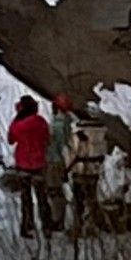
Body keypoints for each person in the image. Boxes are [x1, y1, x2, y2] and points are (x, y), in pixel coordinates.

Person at [7, 93, 56, 237]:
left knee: (26, 198)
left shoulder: (18, 125)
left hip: (23, 164)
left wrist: (17, 118)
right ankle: (47, 226)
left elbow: (11, 139)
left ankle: (27, 225)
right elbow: (47, 139)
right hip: (39, 163)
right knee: (42, 197)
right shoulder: (41, 122)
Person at [49, 94, 77, 233]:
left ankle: (57, 220)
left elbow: (62, 146)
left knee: (55, 191)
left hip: (54, 161)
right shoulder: (68, 122)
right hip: (59, 161)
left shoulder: (58, 124)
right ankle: (59, 219)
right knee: (57, 191)